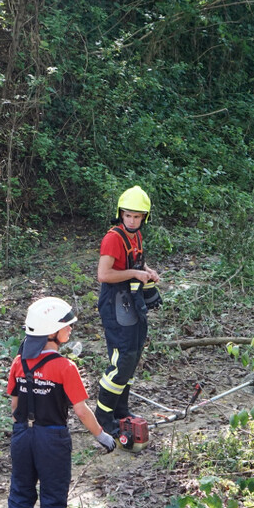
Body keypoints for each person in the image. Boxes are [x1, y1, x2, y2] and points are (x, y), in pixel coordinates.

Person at [0, 297, 116, 508]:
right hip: (53, 438)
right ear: (51, 331)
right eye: (67, 325)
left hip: (23, 435)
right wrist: (102, 436)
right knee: (53, 497)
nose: (71, 330)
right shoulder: (65, 367)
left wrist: (24, 427)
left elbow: (14, 405)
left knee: (21, 494)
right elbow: (82, 410)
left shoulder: (19, 361)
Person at [94, 186, 161, 439]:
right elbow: (103, 274)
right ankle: (103, 417)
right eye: (128, 215)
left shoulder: (137, 236)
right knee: (121, 358)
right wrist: (135, 274)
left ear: (145, 217)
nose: (132, 220)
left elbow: (137, 263)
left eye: (137, 216)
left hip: (130, 298)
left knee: (133, 354)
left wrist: (148, 271)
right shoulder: (113, 238)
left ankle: (121, 411)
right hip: (115, 300)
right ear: (121, 214)